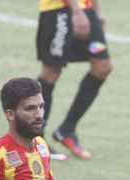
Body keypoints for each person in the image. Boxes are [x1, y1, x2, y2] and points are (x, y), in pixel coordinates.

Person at [36, 0, 113, 160]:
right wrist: (76, 11)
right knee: (51, 71)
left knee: (103, 67)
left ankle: (66, 131)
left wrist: (97, 9)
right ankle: (36, 139)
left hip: (85, 8)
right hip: (59, 9)